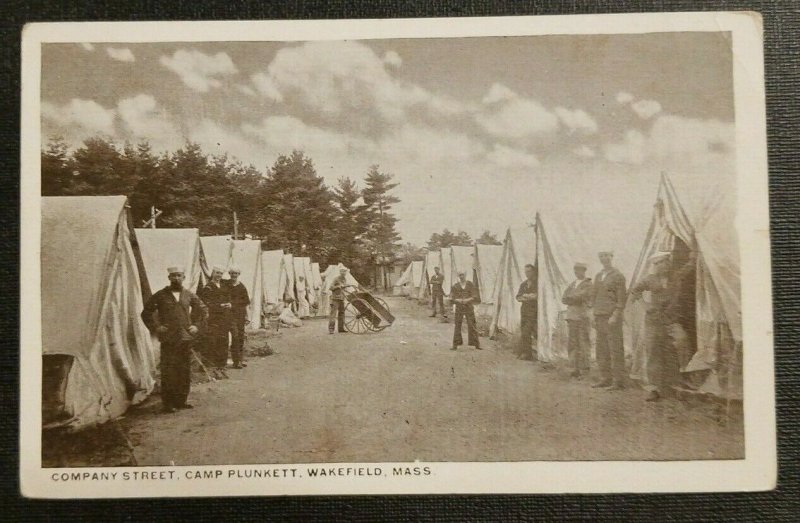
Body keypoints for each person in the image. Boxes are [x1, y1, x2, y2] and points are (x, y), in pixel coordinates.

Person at [141, 266, 207, 413]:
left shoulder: (189, 295)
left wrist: (196, 325)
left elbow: (202, 310)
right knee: (169, 371)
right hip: (169, 339)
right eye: (173, 276)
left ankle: (181, 400)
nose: (176, 278)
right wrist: (156, 327)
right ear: (169, 278)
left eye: (179, 276)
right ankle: (168, 403)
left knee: (183, 370)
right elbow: (146, 312)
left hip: (185, 338)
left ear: (183, 278)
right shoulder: (161, 295)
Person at [630, 251, 682, 402]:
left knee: (671, 352)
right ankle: (653, 388)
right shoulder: (650, 279)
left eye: (663, 262)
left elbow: (690, 267)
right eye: (657, 264)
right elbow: (635, 291)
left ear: (668, 263)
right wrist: (645, 305)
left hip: (670, 320)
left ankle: (671, 387)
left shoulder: (676, 277)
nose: (661, 266)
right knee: (653, 352)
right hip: (654, 321)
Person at [591, 251, 627, 390]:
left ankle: (618, 381)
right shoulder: (598, 276)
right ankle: (605, 378)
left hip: (611, 317)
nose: (604, 258)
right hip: (599, 315)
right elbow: (594, 296)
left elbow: (621, 299)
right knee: (602, 348)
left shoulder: (618, 276)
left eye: (607, 255)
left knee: (615, 348)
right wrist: (593, 315)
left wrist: (615, 315)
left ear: (612, 257)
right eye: (601, 256)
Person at [198, 265, 232, 379]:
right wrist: (220, 306)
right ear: (212, 273)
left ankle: (222, 366)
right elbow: (206, 303)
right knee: (214, 341)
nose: (219, 275)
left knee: (224, 340)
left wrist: (229, 304)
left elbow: (229, 297)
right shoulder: (208, 287)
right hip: (213, 318)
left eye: (221, 274)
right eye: (217, 273)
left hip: (225, 318)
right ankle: (212, 367)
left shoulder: (223, 285)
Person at [562, 262, 592, 378]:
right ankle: (574, 368)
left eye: (579, 270)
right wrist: (572, 298)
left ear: (584, 271)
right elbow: (563, 298)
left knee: (583, 342)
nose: (576, 272)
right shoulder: (573, 284)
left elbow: (581, 296)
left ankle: (584, 369)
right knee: (573, 343)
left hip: (582, 316)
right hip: (572, 317)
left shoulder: (588, 284)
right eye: (575, 270)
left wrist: (572, 298)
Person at [226, 265, 250, 369]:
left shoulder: (242, 287)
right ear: (229, 274)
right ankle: (236, 360)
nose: (234, 275)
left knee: (240, 337)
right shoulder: (225, 284)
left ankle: (239, 359)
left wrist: (247, 316)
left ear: (238, 275)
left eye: (236, 273)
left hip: (240, 314)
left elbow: (246, 302)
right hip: (229, 315)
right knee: (235, 336)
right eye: (232, 273)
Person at [450, 271, 481, 351]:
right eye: (460, 275)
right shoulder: (455, 286)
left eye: (462, 275)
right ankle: (455, 344)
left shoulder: (470, 284)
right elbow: (452, 297)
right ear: (458, 276)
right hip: (459, 307)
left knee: (472, 324)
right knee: (457, 325)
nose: (461, 276)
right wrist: (458, 300)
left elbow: (474, 295)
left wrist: (468, 299)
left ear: (465, 275)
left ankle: (476, 344)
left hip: (469, 307)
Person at [516, 264, 538, 361]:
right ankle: (526, 353)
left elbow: (537, 296)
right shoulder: (523, 284)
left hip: (533, 311)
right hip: (524, 311)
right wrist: (528, 296)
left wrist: (526, 296)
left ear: (533, 272)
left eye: (529, 272)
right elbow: (518, 297)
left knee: (527, 331)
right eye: (525, 272)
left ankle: (528, 353)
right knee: (524, 331)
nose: (527, 274)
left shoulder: (537, 283)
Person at [328, 266, 350, 334]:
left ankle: (341, 328)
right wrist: (338, 286)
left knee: (342, 314)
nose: (343, 273)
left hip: (341, 299)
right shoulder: (336, 279)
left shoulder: (344, 279)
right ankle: (331, 329)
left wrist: (346, 286)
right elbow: (331, 287)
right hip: (335, 299)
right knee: (333, 314)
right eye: (342, 271)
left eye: (344, 271)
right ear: (340, 272)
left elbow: (344, 288)